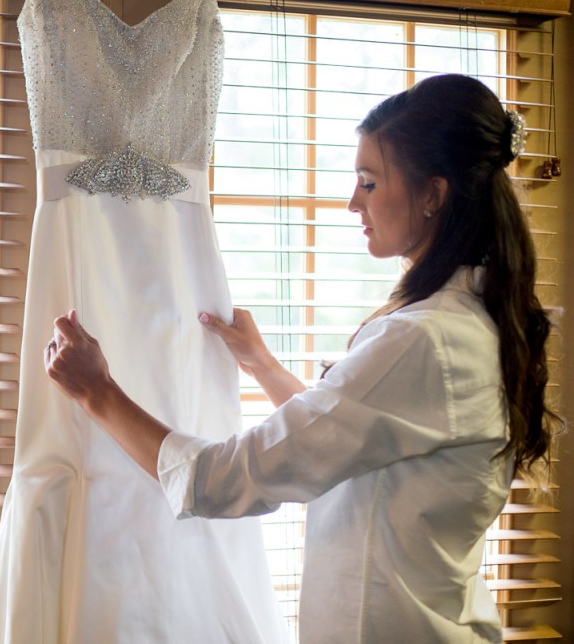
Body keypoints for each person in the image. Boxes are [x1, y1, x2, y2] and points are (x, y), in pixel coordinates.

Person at [42, 74, 563, 643]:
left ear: (433, 194)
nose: (351, 203)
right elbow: (350, 439)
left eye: (368, 182)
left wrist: (99, 393)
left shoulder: (424, 340)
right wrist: (262, 365)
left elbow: (224, 480)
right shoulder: (466, 323)